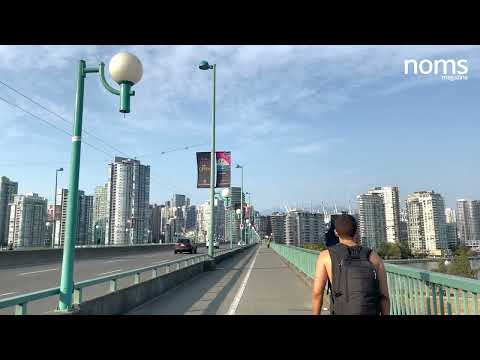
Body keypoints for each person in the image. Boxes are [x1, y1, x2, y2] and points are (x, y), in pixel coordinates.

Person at [311, 214, 390, 315]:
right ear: (356, 232)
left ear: (336, 232)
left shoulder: (326, 256)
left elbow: (317, 294)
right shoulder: (373, 256)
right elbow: (384, 297)